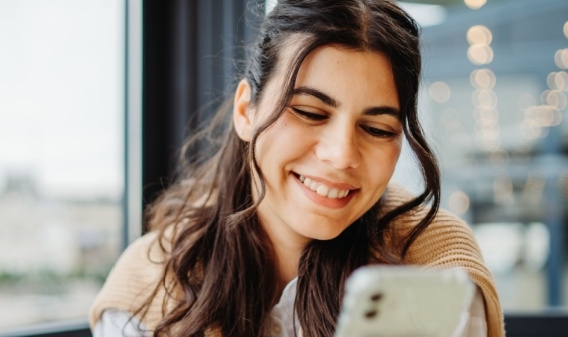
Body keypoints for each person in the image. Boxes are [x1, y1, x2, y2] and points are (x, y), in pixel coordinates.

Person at [89, 0, 505, 336]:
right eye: (309, 112)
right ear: (245, 111)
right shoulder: (149, 281)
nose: (341, 155)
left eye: (377, 129)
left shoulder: (437, 265)